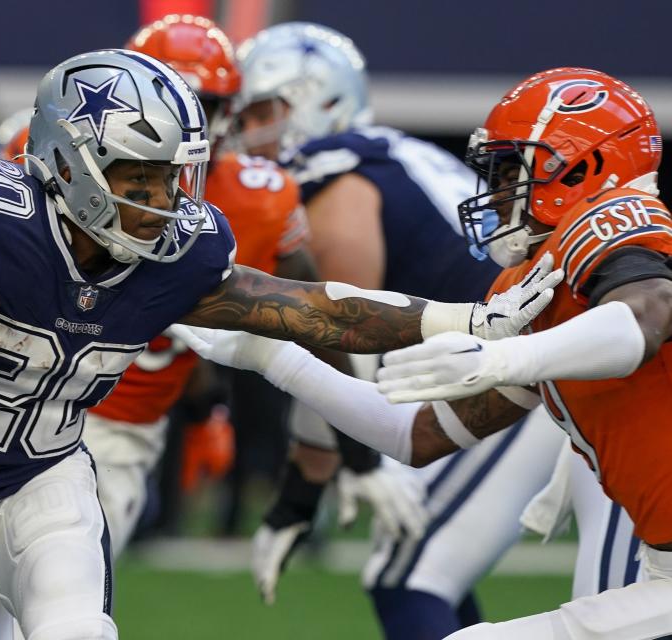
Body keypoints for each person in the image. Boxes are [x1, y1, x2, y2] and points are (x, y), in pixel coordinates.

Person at [0, 49, 554, 639]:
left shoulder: (186, 252)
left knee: (77, 628)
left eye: (174, 178)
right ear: (69, 165)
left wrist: (469, 321)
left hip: (46, 478)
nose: (163, 202)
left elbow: (314, 312)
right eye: (139, 179)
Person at [178, 66, 672, 639]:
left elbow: (646, 315)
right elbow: (416, 436)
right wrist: (276, 359)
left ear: (582, 167)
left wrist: (503, 357)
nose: (497, 188)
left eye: (513, 169)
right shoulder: (535, 282)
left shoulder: (612, 219)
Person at [231, 22, 564, 635]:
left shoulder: (336, 179)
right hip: (509, 366)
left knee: (409, 573)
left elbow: (337, 337)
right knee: (417, 562)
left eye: (260, 113)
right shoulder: (391, 152)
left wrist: (303, 494)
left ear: (316, 100)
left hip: (529, 371)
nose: (246, 134)